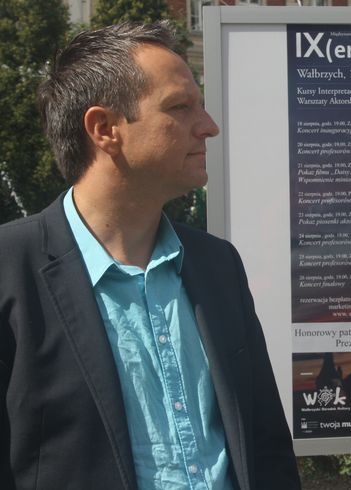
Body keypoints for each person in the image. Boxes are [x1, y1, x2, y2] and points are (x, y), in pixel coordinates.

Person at [0, 22, 300, 490]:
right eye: (180, 107)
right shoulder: (10, 269)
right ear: (105, 129)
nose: (209, 126)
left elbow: (266, 445)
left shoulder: (218, 265)